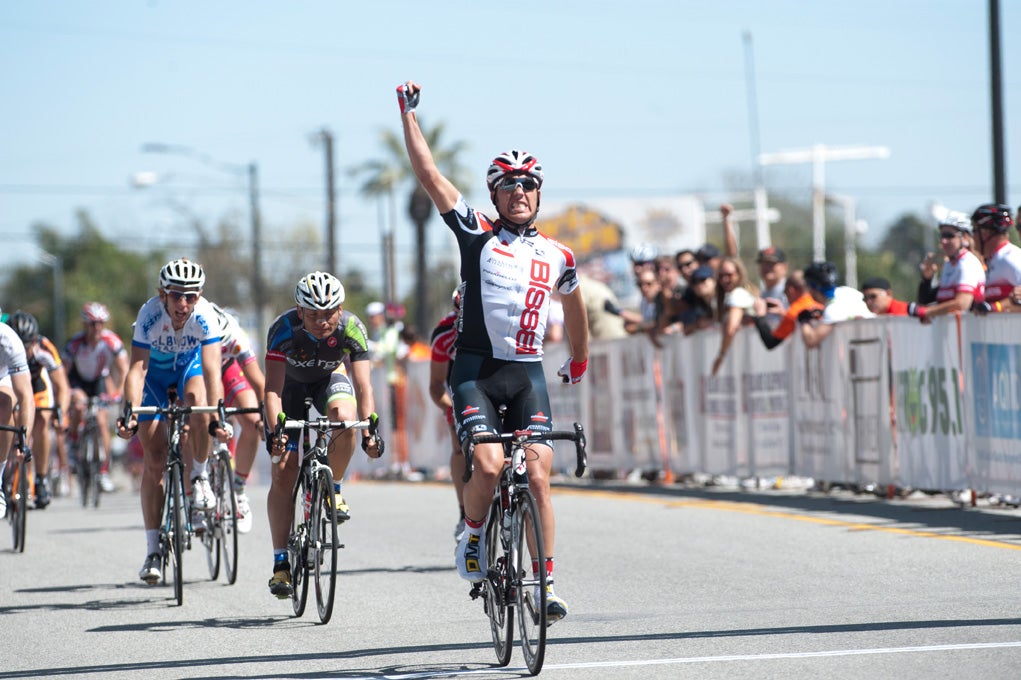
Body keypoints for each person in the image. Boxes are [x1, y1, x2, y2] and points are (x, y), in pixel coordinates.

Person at [398, 80, 589, 623]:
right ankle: (475, 533)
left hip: (527, 375)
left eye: (528, 185)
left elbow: (574, 306)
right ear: (494, 194)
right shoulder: (477, 233)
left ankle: (545, 583)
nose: (520, 193)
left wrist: (579, 358)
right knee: (485, 465)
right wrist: (408, 115)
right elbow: (430, 176)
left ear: (539, 193)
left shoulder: (559, 254)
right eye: (509, 185)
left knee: (537, 476)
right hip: (475, 373)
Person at [264, 271, 381, 599]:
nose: (321, 321)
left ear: (340, 309)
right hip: (288, 388)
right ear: (299, 311)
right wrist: (277, 432)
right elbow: (271, 390)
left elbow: (363, 386)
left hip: (328, 379)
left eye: (329, 313)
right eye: (313, 314)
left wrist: (371, 429)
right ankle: (280, 563)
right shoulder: (282, 329)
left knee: (345, 420)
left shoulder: (352, 327)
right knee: (284, 472)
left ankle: (335, 489)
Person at [116, 258, 228, 585]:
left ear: (200, 296)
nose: (183, 304)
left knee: (200, 401)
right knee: (154, 459)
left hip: (187, 373)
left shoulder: (205, 316)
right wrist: (129, 413)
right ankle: (152, 551)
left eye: (190, 296)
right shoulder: (149, 315)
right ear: (162, 294)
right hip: (154, 378)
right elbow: (136, 370)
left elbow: (211, 371)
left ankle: (200, 476)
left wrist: (218, 413)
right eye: (176, 295)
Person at [210, 302, 265, 533]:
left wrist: (265, 417)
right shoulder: (194, 329)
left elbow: (258, 382)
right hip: (198, 370)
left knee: (252, 421)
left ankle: (239, 489)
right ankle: (197, 479)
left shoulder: (235, 335)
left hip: (229, 370)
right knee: (193, 422)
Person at [64, 302, 128, 494]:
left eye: (101, 323)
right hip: (78, 380)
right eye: (93, 324)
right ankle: (74, 442)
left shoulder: (111, 341)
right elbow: (62, 374)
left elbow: (124, 369)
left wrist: (117, 392)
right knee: (79, 406)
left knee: (101, 422)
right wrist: (69, 392)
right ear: (85, 325)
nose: (97, 328)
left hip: (99, 380)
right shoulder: (74, 344)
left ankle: (103, 470)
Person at [7, 311, 69, 508]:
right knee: (8, 416)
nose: (23, 351)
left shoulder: (45, 349)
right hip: (11, 383)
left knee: (42, 417)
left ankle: (41, 479)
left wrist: (61, 412)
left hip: (36, 385)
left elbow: (62, 386)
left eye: (27, 346)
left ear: (34, 341)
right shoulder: (5, 346)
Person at [428, 288, 466, 542]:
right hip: (459, 391)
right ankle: (465, 512)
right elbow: (435, 386)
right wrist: (451, 410)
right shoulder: (445, 334)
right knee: (459, 446)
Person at [906, 212, 985, 323]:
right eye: (942, 235)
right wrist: (927, 279)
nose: (943, 241)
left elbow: (961, 304)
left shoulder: (968, 263)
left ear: (965, 238)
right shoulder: (949, 265)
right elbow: (927, 301)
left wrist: (926, 312)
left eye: (949, 236)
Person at [0, 318, 35, 519]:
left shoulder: (9, 340)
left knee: (4, 404)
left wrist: (23, 441)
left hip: (3, 378)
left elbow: (26, 398)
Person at [799, 261, 874, 349]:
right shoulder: (847, 291)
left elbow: (811, 340)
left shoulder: (832, 310)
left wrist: (804, 321)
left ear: (812, 288)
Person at [750, 270, 822, 349]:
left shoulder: (794, 311)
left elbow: (771, 342)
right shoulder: (819, 306)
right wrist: (783, 313)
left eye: (785, 292)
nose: (787, 298)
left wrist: (760, 316)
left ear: (791, 291)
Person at [711, 257, 759, 376]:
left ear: (739, 274)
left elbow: (731, 327)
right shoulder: (735, 294)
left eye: (729, 275)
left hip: (748, 357)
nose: (725, 279)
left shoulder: (738, 294)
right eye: (721, 276)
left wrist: (721, 356)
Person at [971, 203, 1021, 314]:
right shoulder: (994, 259)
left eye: (974, 230)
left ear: (986, 233)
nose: (972, 237)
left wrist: (994, 307)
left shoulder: (1010, 258)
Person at [680, 265, 718, 335]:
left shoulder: (723, 299)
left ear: (714, 280)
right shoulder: (698, 305)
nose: (699, 285)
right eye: (695, 282)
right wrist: (697, 325)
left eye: (702, 279)